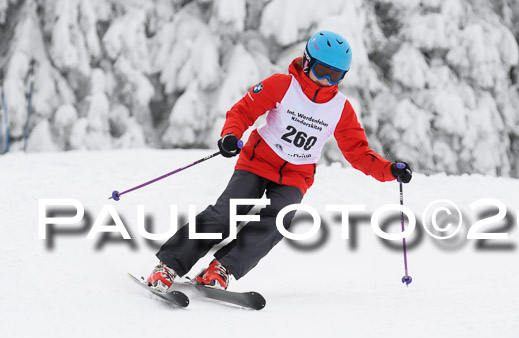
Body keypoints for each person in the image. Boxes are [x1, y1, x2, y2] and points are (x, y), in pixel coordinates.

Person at [145, 30, 413, 291]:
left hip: (295, 177)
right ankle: (168, 265)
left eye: (334, 76)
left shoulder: (340, 109)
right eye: (321, 71)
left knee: (278, 221)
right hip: (257, 163)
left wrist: (389, 170)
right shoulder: (282, 86)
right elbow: (244, 110)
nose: (325, 80)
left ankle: (221, 268)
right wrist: (230, 135)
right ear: (307, 62)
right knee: (226, 213)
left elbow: (357, 151)